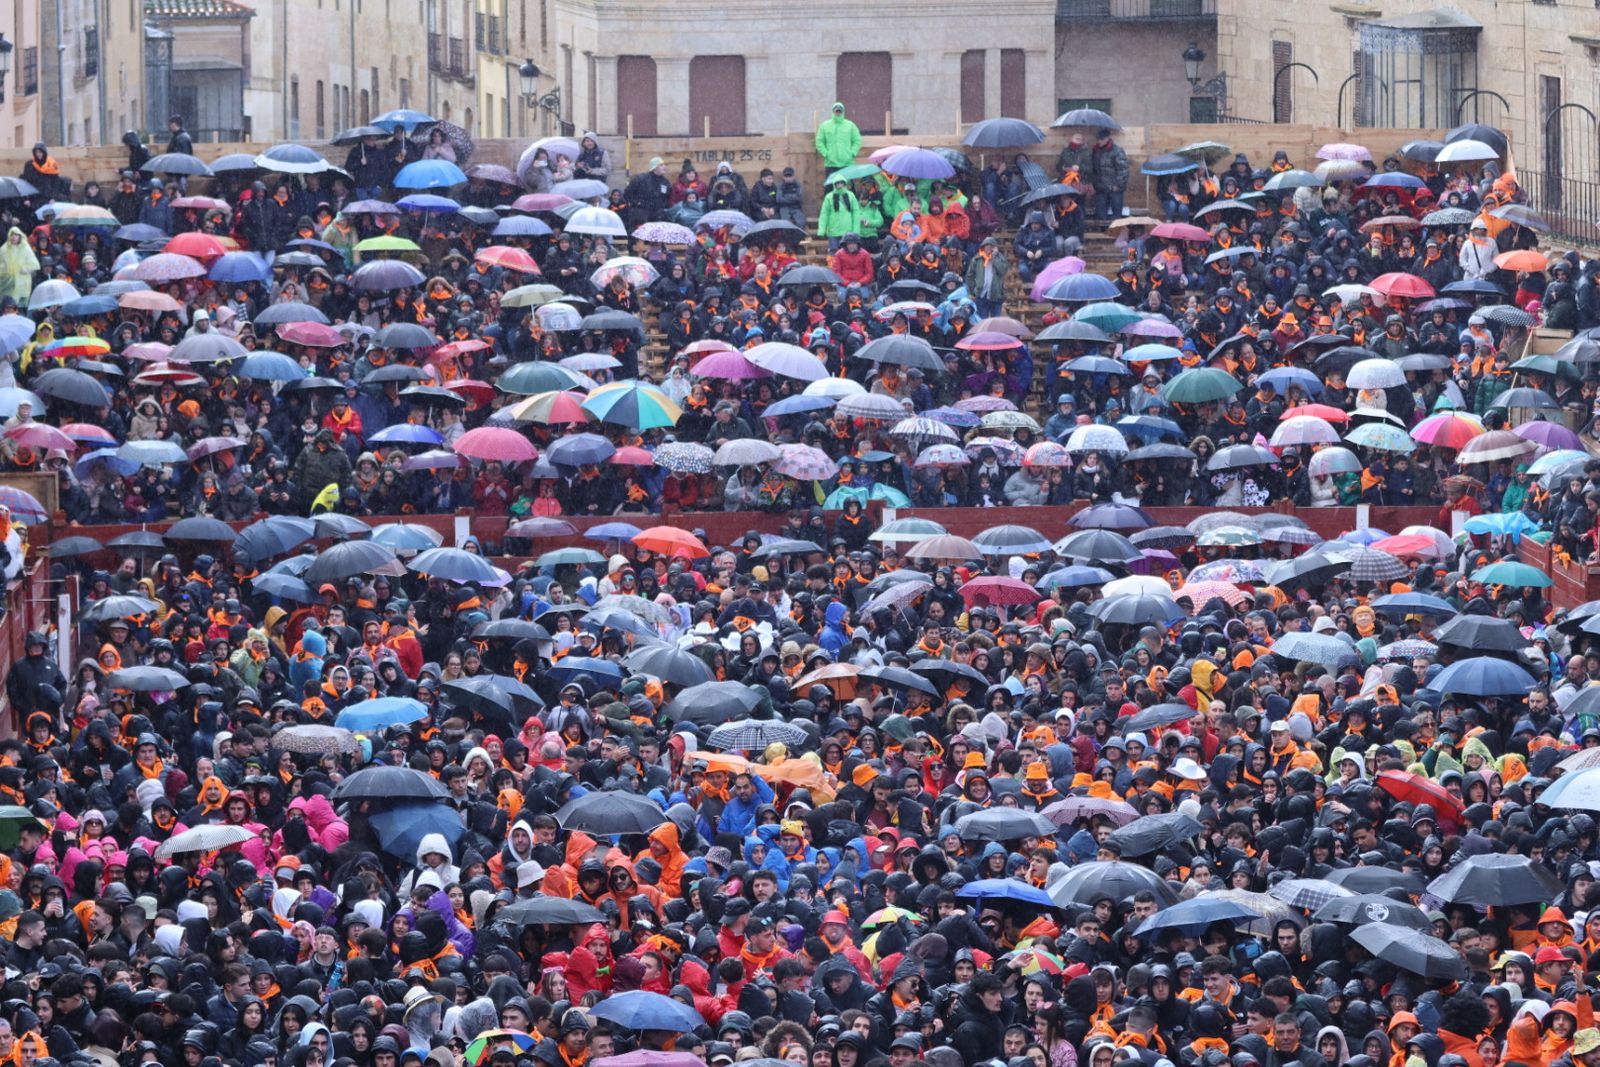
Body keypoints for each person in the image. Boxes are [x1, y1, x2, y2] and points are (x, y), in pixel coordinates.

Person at [815, 102, 862, 170]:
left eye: (840, 111)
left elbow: (857, 140)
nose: (838, 112)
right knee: (831, 181)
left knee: (848, 181)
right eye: (836, 111)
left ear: (843, 112)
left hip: (847, 163)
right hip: (830, 164)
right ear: (833, 112)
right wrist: (826, 154)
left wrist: (852, 153)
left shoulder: (850, 125)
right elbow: (819, 142)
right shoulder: (824, 126)